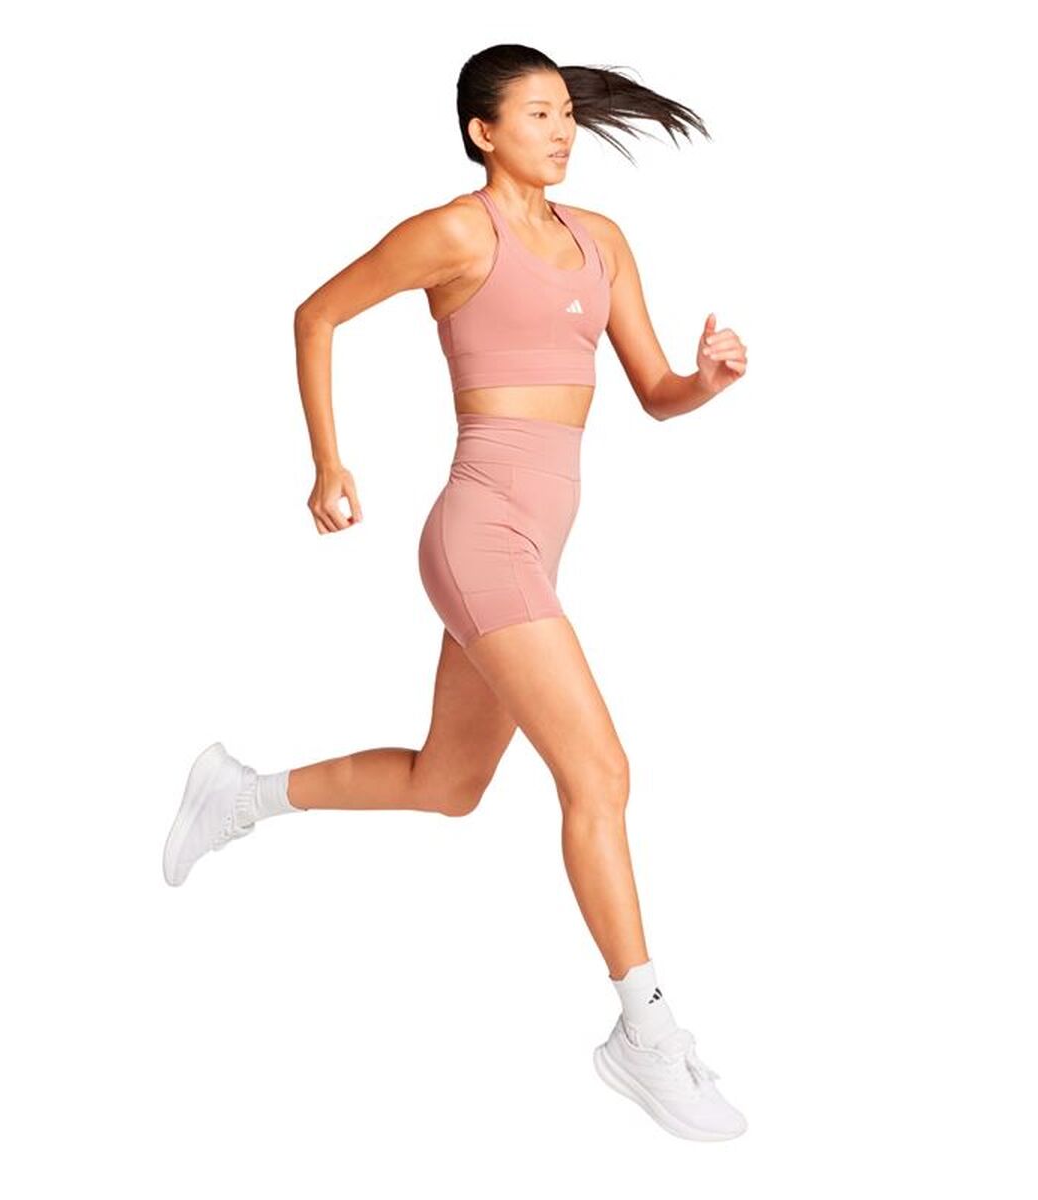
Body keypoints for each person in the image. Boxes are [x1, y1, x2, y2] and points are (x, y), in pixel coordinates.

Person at [162, 44, 749, 1141]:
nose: (562, 132)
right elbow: (315, 315)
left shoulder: (602, 240)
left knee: (448, 782)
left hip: (537, 542)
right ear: (484, 130)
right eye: (538, 115)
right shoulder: (456, 233)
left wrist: (705, 381)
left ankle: (239, 794)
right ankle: (644, 1030)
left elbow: (657, 391)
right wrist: (327, 464)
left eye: (566, 113)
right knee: (600, 773)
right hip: (480, 536)